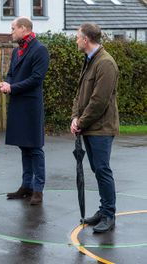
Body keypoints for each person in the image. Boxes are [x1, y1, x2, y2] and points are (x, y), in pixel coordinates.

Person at [71, 23, 119, 233]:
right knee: (97, 170)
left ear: (86, 40)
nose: (76, 40)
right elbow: (80, 94)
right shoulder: (90, 60)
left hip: (101, 128)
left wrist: (80, 122)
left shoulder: (105, 63)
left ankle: (108, 214)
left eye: (77, 37)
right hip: (89, 127)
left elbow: (99, 101)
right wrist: (74, 117)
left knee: (102, 169)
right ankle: (103, 210)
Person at [0, 17, 49, 205]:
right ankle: (26, 186)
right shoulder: (16, 51)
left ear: (23, 29)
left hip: (30, 106)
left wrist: (13, 88)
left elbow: (37, 79)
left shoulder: (40, 50)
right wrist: (7, 82)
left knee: (35, 148)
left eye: (13, 28)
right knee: (24, 146)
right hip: (18, 104)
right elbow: (11, 72)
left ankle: (38, 189)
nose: (11, 32)